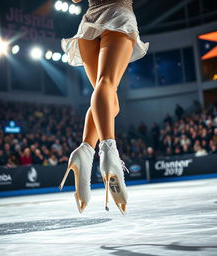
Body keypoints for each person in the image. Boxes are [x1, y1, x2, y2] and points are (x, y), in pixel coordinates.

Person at [59, 0, 149, 214]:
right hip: (118, 13)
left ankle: (85, 150)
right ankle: (109, 151)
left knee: (109, 99)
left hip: (89, 22)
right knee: (106, 85)